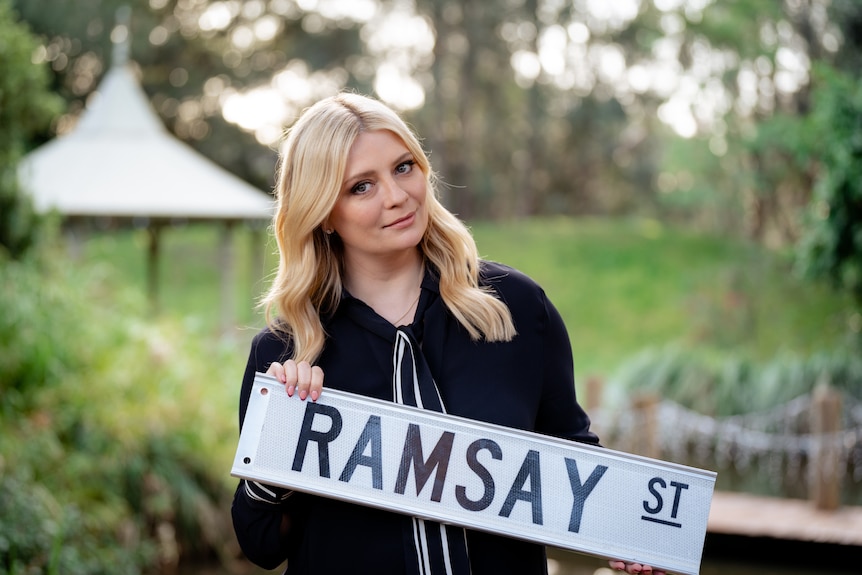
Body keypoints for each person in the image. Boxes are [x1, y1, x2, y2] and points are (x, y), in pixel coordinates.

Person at [231, 92, 663, 575]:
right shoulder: (285, 354)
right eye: (361, 187)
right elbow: (262, 543)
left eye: (403, 167)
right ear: (324, 213)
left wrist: (632, 534)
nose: (396, 196)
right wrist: (282, 439)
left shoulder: (515, 307)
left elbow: (571, 455)